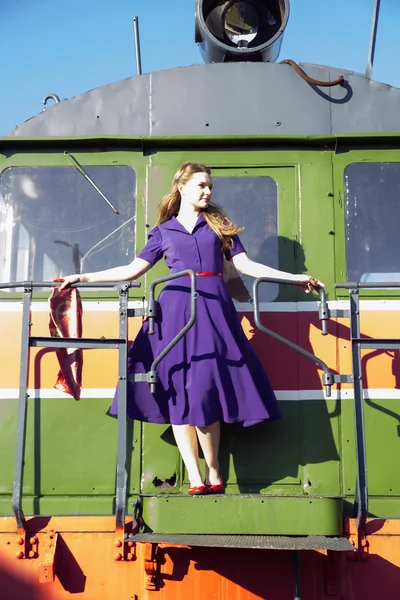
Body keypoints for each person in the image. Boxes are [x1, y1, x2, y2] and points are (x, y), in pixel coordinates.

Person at [59, 162, 323, 495]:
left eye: (209, 186)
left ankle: (213, 471)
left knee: (203, 391)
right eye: (201, 185)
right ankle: (195, 477)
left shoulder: (219, 226)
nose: (207, 191)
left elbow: (245, 266)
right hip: (173, 314)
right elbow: (132, 271)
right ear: (182, 188)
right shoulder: (163, 232)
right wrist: (81, 277)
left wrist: (294, 278)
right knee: (175, 393)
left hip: (213, 312)